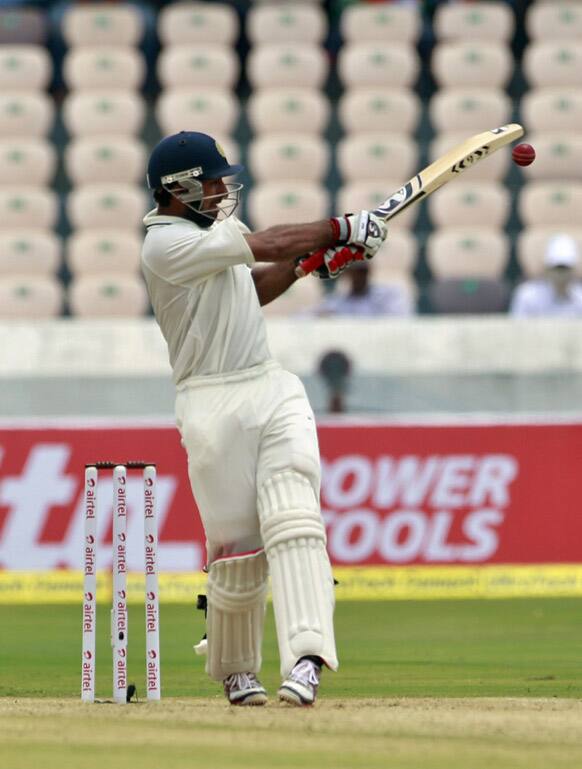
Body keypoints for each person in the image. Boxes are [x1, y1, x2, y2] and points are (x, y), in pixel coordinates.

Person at [141, 131, 388, 706]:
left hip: (269, 385)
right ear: (177, 190)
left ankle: (306, 659)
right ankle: (234, 668)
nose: (224, 187)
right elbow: (267, 243)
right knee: (237, 551)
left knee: (296, 517)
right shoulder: (163, 246)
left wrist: (309, 266)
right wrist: (339, 229)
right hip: (208, 401)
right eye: (213, 179)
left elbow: (250, 287)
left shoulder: (209, 237)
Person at [510, 234, 582, 318]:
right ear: (547, 269)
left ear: (574, 270)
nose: (561, 274)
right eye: (557, 268)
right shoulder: (527, 296)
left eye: (566, 268)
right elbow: (517, 327)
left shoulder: (580, 298)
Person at [309, 260, 414, 317]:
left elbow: (402, 321)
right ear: (347, 274)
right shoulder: (337, 303)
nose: (359, 276)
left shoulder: (387, 297)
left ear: (369, 271)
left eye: (362, 271)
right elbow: (305, 317)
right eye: (354, 272)